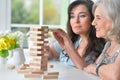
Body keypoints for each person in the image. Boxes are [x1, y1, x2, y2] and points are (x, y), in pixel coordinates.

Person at [48, 0, 105, 69]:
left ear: (93, 19)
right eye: (72, 16)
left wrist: (69, 46)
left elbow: (89, 70)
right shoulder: (71, 39)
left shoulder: (103, 47)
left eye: (82, 16)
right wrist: (42, 50)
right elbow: (51, 52)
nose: (76, 21)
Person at [84, 0, 120, 80]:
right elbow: (89, 67)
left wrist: (95, 69)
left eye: (98, 18)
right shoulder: (109, 44)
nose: (93, 23)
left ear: (115, 20)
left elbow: (115, 75)